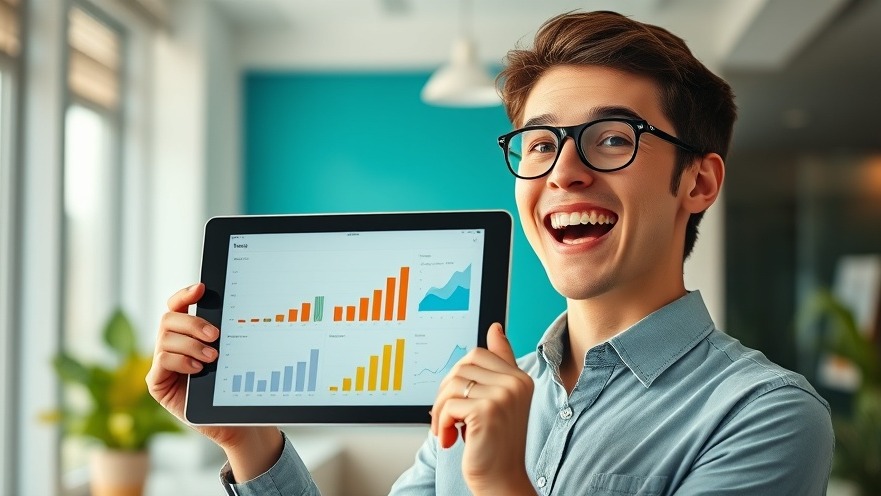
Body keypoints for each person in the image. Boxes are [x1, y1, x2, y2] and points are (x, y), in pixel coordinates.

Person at [147, 10, 834, 495]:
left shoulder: (763, 415)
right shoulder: (473, 385)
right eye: (539, 144)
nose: (564, 171)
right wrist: (249, 442)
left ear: (698, 181)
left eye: (612, 138)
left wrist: (501, 482)